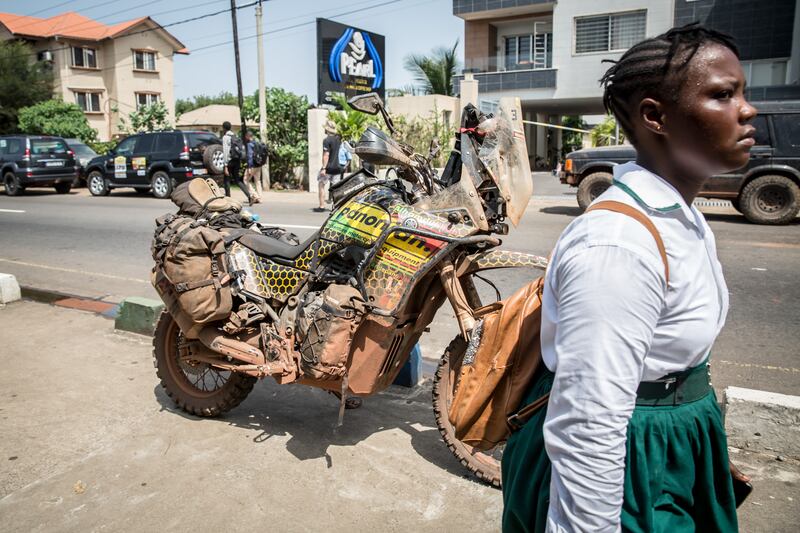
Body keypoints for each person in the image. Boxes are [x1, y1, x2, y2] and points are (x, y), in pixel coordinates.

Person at [502, 24, 756, 533]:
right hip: (627, 466)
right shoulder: (618, 245)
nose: (746, 110)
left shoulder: (679, 215)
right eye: (722, 95)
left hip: (672, 448)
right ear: (654, 116)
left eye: (741, 93)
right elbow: (589, 425)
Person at [221, 121, 251, 204]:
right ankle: (249, 196)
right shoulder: (235, 136)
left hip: (230, 161)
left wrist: (225, 166)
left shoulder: (225, 137)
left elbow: (226, 152)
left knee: (226, 180)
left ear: (223, 128)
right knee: (237, 180)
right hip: (237, 160)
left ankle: (228, 200)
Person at [317, 120, 342, 211]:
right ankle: (336, 207)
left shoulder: (326, 140)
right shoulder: (338, 139)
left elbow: (326, 155)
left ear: (327, 130)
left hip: (328, 168)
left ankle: (322, 206)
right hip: (337, 168)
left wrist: (323, 168)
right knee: (336, 188)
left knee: (321, 185)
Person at [243, 130, 262, 206]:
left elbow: (250, 156)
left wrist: (249, 167)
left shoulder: (249, 144)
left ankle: (255, 196)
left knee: (245, 180)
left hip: (253, 165)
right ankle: (260, 198)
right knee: (257, 181)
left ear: (247, 136)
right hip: (259, 164)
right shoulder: (257, 143)